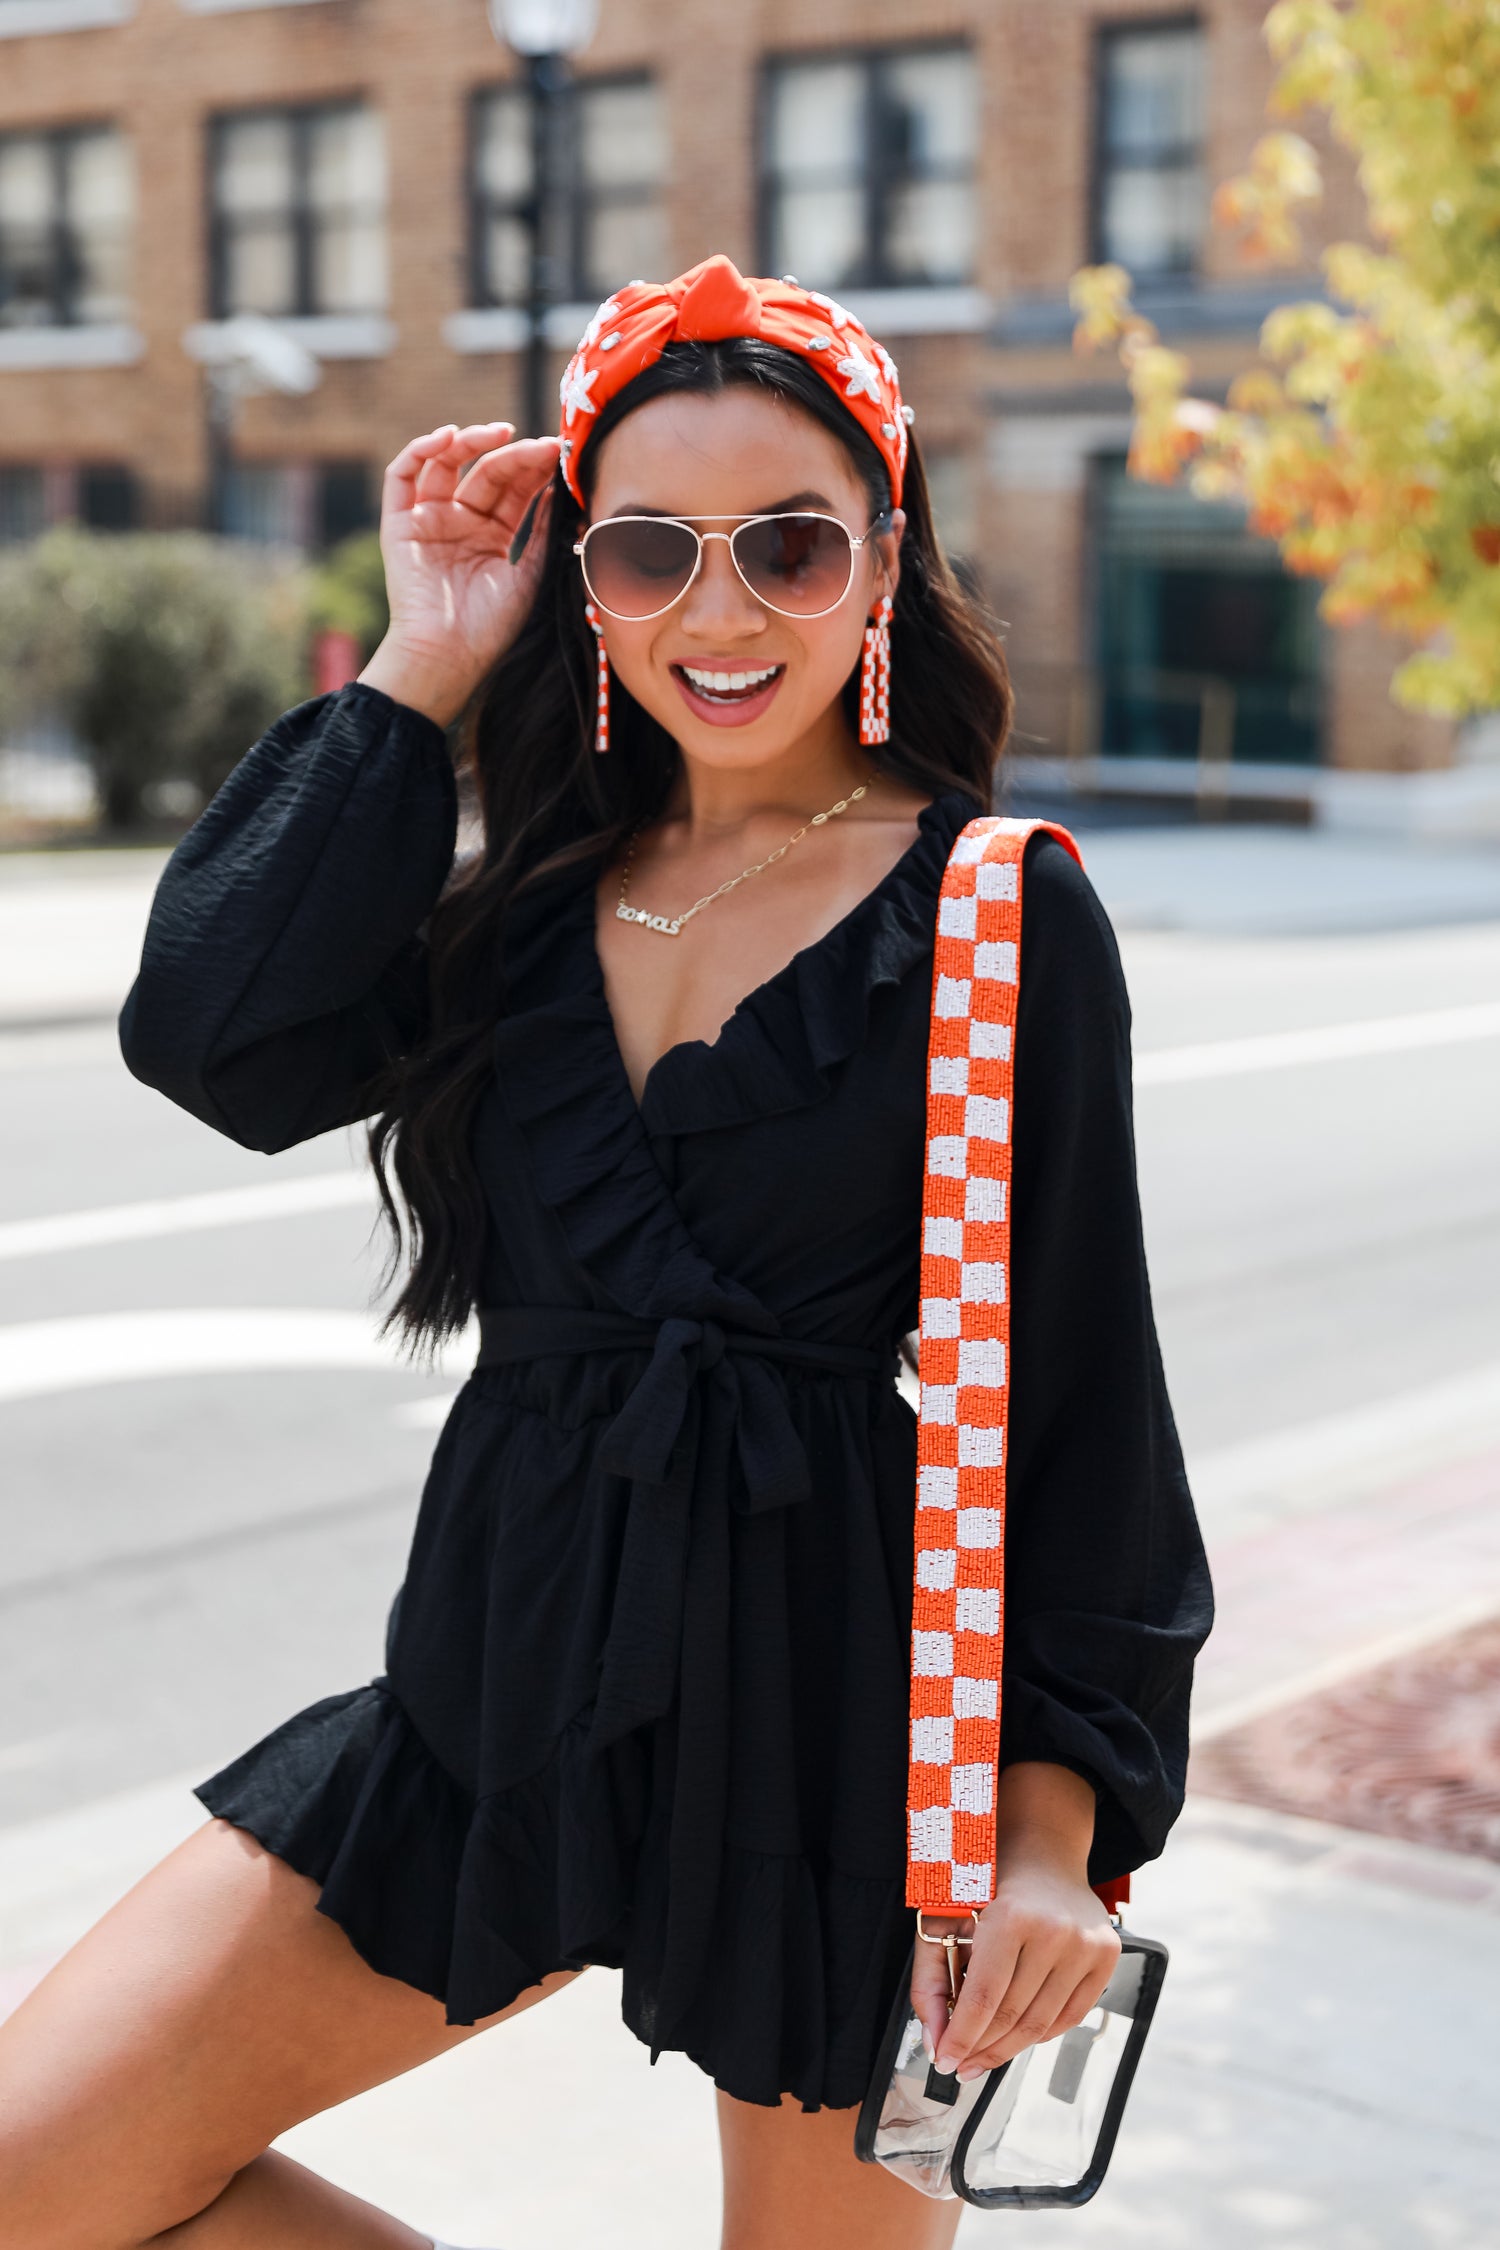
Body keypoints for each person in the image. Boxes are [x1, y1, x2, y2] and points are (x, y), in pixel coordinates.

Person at [0, 256, 1211, 2250]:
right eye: (649, 550)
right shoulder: (526, 908)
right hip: (490, 1680)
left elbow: (1083, 1402)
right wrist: (418, 670)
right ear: (587, 577)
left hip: (847, 1744)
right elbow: (210, 1039)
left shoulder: (997, 914)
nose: (718, 612)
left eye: (789, 548)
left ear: (885, 559)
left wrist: (1049, 1840)